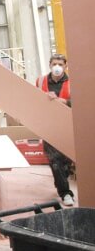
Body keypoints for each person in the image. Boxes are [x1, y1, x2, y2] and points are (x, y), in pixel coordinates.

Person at [35, 54, 74, 207]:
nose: (57, 67)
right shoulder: (40, 81)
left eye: (60, 64)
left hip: (68, 126)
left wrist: (66, 101)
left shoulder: (73, 82)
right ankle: (65, 193)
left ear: (65, 66)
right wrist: (44, 98)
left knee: (65, 162)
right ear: (50, 65)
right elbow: (33, 99)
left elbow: (84, 101)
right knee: (55, 160)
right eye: (54, 64)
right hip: (49, 126)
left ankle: (62, 180)